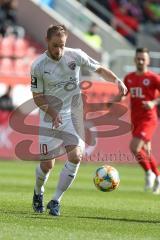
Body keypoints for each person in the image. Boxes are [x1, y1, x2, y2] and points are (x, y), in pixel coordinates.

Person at [30, 24, 127, 216]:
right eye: (55, 45)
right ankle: (38, 191)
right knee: (47, 165)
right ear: (47, 41)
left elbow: (98, 69)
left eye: (62, 45)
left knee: (75, 156)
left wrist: (117, 80)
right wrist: (53, 113)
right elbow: (37, 97)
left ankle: (56, 200)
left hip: (72, 115)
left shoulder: (75, 55)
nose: (59, 50)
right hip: (49, 118)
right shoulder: (38, 65)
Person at [123, 47, 160, 194]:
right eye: (138, 58)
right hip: (135, 119)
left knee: (134, 147)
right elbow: (124, 94)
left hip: (149, 118)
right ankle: (157, 176)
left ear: (148, 60)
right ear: (134, 59)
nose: (140, 61)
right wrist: (115, 100)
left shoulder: (154, 78)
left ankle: (149, 173)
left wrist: (153, 103)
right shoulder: (129, 77)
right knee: (146, 150)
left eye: (143, 59)